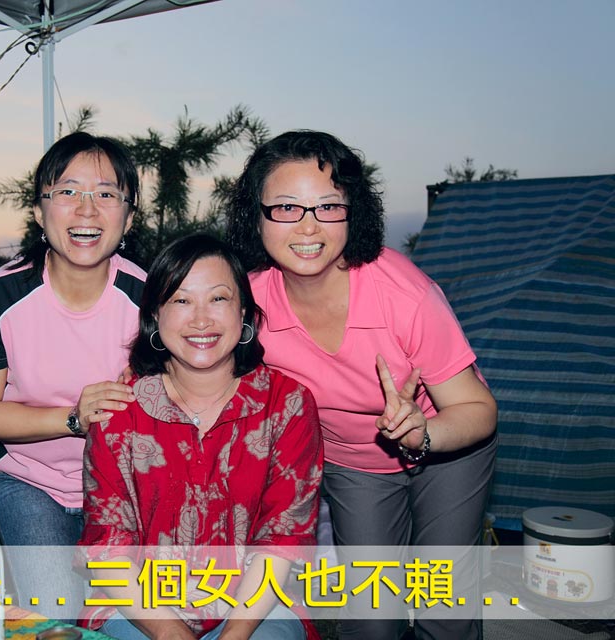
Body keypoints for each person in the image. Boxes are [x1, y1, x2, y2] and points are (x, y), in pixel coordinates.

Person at [227, 130, 498, 640]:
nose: (308, 226)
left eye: (328, 206)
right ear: (256, 217)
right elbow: (202, 359)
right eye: (286, 207)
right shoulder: (251, 303)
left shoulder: (404, 294)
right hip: (354, 463)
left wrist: (423, 433)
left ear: (353, 213)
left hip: (449, 449)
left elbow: (478, 408)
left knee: (443, 607)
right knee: (373, 617)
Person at [79, 234, 323, 640]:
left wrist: (234, 635)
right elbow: (108, 549)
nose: (201, 320)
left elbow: (282, 539)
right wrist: (170, 632)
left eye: (218, 299)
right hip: (139, 606)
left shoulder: (287, 405)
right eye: (181, 300)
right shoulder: (118, 414)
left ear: (243, 313)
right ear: (155, 315)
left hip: (256, 606)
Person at [0, 131, 145, 621]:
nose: (86, 209)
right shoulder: (0, 296)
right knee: (56, 615)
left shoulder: (152, 299)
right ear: (40, 212)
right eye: (67, 191)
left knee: (134, 618)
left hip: (128, 487)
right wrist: (74, 419)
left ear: (129, 216)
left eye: (106, 194)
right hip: (29, 480)